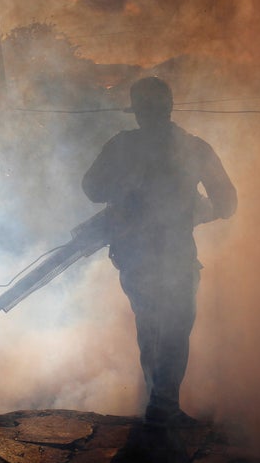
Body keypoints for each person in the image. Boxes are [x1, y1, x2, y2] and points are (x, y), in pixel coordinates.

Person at [82, 76, 237, 427]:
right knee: (175, 330)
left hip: (135, 257)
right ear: (168, 108)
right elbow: (227, 203)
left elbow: (91, 188)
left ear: (137, 112)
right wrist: (196, 212)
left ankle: (159, 406)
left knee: (151, 327)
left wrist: (126, 192)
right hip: (176, 256)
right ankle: (162, 407)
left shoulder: (122, 146)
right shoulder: (195, 148)